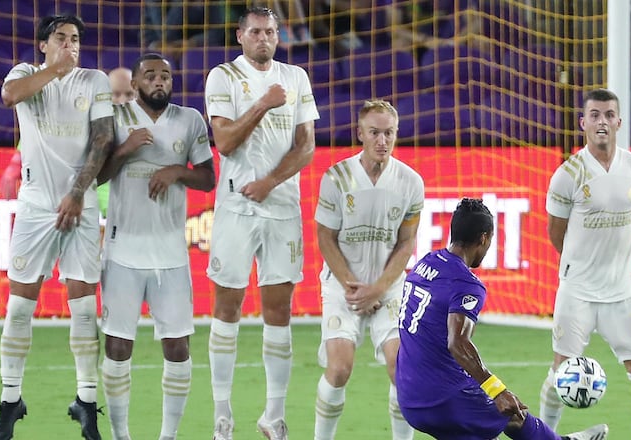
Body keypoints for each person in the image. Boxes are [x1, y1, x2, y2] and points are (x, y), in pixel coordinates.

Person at [0, 14, 114, 440]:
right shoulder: (27, 73)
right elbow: (9, 96)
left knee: (84, 306)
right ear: (43, 45)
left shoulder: (94, 79)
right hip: (34, 207)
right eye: (60, 38)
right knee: (20, 305)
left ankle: (85, 401)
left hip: (77, 208)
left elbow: (103, 139)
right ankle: (10, 401)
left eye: (75, 38)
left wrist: (79, 193)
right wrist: (53, 70)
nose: (70, 45)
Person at [396, 197, 610, 440]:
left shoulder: (425, 262)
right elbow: (458, 343)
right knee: (513, 415)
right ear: (484, 238)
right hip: (441, 398)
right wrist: (496, 389)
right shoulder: (466, 284)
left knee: (487, 429)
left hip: (408, 394)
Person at [204, 6, 319, 440]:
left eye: (271, 31)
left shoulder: (296, 77)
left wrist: (270, 181)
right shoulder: (223, 77)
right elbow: (226, 141)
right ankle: (222, 416)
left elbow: (306, 145)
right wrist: (263, 103)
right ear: (240, 36)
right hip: (236, 208)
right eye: (255, 32)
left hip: (282, 207)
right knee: (227, 308)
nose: (264, 38)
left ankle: (273, 417)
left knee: (278, 311)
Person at [96, 53, 216, 440]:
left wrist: (176, 171)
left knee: (178, 348)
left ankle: (168, 436)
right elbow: (97, 175)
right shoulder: (116, 119)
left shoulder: (189, 119)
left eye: (165, 75)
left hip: (170, 254)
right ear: (135, 82)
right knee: (116, 347)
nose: (159, 81)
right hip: (121, 252)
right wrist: (125, 149)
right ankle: (120, 435)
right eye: (150, 75)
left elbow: (208, 178)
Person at [538, 89, 631, 440]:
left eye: (608, 115)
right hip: (578, 292)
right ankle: (544, 435)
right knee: (560, 370)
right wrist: (581, 265)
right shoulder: (567, 175)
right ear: (583, 123)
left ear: (619, 121)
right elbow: (555, 233)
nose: (601, 121)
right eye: (594, 115)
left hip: (624, 290)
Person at [313, 99, 423, 440]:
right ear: (360, 133)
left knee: (401, 368)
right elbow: (325, 237)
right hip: (342, 287)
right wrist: (353, 286)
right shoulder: (337, 178)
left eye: (388, 133)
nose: (382, 141)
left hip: (388, 288)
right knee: (340, 368)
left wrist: (377, 288)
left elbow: (406, 243)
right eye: (374, 132)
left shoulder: (410, 182)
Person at [0, 66, 137, 217]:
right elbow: (45, 136)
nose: (122, 100)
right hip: (86, 207)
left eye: (129, 94)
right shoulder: (85, 118)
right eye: (116, 94)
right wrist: (15, 164)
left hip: (128, 211)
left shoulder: (145, 126)